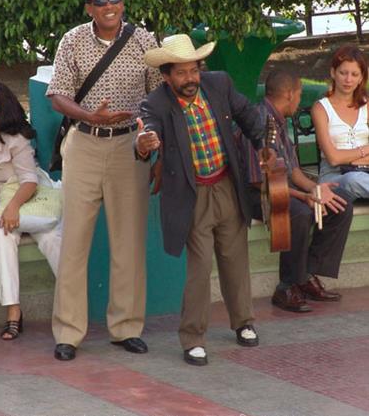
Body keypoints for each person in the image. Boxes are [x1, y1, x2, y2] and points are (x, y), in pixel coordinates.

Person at [136, 34, 271, 366]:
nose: (190, 79)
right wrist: (145, 143)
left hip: (227, 182)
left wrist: (263, 143)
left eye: (193, 70)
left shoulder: (219, 84)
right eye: (181, 73)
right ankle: (193, 338)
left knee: (235, 258)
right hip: (191, 192)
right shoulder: (155, 104)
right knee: (199, 268)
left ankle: (244, 322)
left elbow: (248, 115)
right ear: (166, 76)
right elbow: (146, 135)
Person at [46, 0, 162, 361]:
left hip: (129, 144)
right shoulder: (73, 40)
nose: (109, 5)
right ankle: (68, 332)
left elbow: (158, 94)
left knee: (128, 241)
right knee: (74, 240)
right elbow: (57, 96)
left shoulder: (144, 40)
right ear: (89, 8)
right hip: (84, 141)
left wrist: (149, 137)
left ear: (122, 4)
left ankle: (126, 327)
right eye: (100, 0)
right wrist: (88, 114)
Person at [242, 70, 353, 312]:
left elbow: (294, 173)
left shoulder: (279, 122)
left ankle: (305, 276)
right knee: (300, 212)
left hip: (279, 189)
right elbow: (258, 182)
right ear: (290, 94)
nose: (300, 99)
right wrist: (303, 197)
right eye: (300, 94)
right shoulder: (258, 121)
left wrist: (316, 190)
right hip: (254, 194)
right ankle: (287, 286)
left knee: (340, 202)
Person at [0, 80, 61, 339]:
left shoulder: (15, 139)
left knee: (51, 237)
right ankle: (13, 311)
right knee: (0, 235)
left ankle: (71, 307)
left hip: (27, 196)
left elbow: (29, 180)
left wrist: (13, 208)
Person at [311, 45, 369, 199]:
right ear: (333, 73)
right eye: (343, 73)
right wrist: (364, 151)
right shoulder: (321, 108)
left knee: (359, 179)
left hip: (366, 173)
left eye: (354, 74)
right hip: (335, 176)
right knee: (353, 180)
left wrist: (354, 159)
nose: (348, 79)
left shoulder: (366, 105)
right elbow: (333, 158)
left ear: (361, 77)